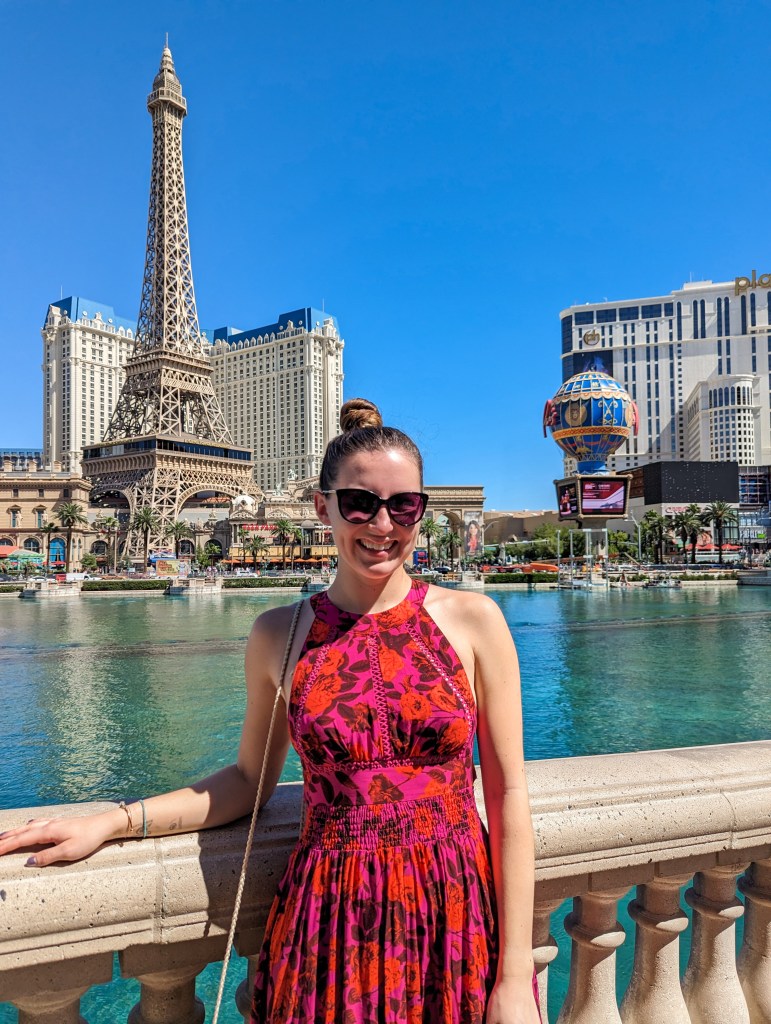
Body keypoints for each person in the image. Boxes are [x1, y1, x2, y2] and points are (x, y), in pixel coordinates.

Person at [0, 398, 540, 1024]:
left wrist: (514, 974)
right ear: (323, 506)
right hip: (329, 919)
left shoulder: (475, 621)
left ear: (420, 510)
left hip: (455, 909)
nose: (382, 524)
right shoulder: (279, 633)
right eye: (360, 503)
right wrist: (115, 821)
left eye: (404, 505)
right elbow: (247, 782)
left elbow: (508, 797)